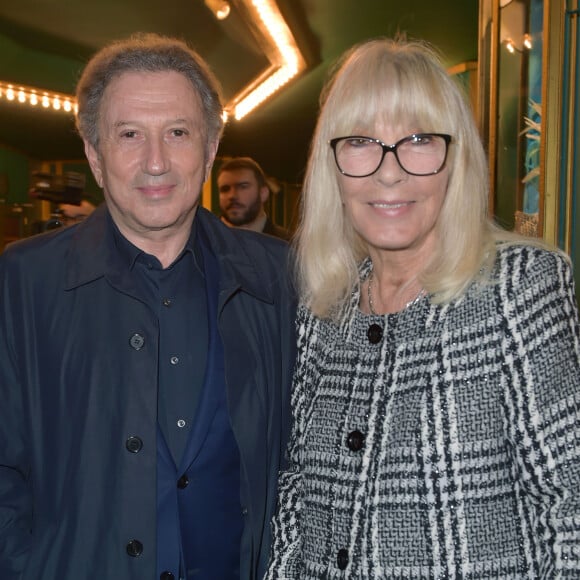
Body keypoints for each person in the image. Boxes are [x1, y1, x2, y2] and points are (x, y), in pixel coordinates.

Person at [266, 37, 580, 578]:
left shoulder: (520, 289)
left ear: (455, 161)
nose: (390, 172)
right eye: (362, 141)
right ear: (332, 169)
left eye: (417, 139)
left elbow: (570, 514)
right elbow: (293, 498)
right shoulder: (322, 310)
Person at [0, 33, 296, 580]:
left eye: (178, 133)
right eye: (130, 134)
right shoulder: (19, 282)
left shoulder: (282, 278)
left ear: (209, 149)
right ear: (94, 153)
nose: (155, 162)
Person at [217, 156, 290, 240]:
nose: (232, 195)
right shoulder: (202, 240)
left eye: (243, 187)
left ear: (263, 193)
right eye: (225, 189)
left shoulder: (289, 246)